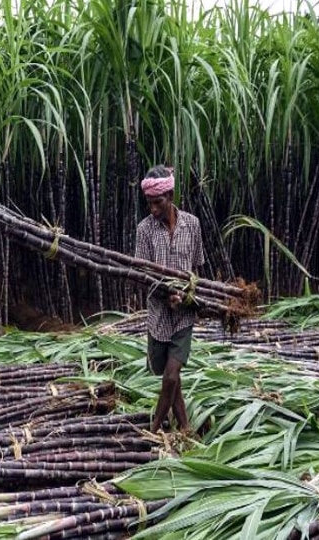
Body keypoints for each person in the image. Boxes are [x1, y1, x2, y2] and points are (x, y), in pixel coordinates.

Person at [134, 165, 204, 433]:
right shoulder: (145, 230)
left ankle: (154, 428)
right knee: (169, 378)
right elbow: (143, 276)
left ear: (171, 196)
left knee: (172, 375)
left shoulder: (193, 225)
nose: (153, 209)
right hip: (158, 315)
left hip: (184, 314)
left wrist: (187, 296)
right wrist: (166, 294)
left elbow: (197, 269)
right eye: (149, 203)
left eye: (158, 202)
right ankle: (185, 429)